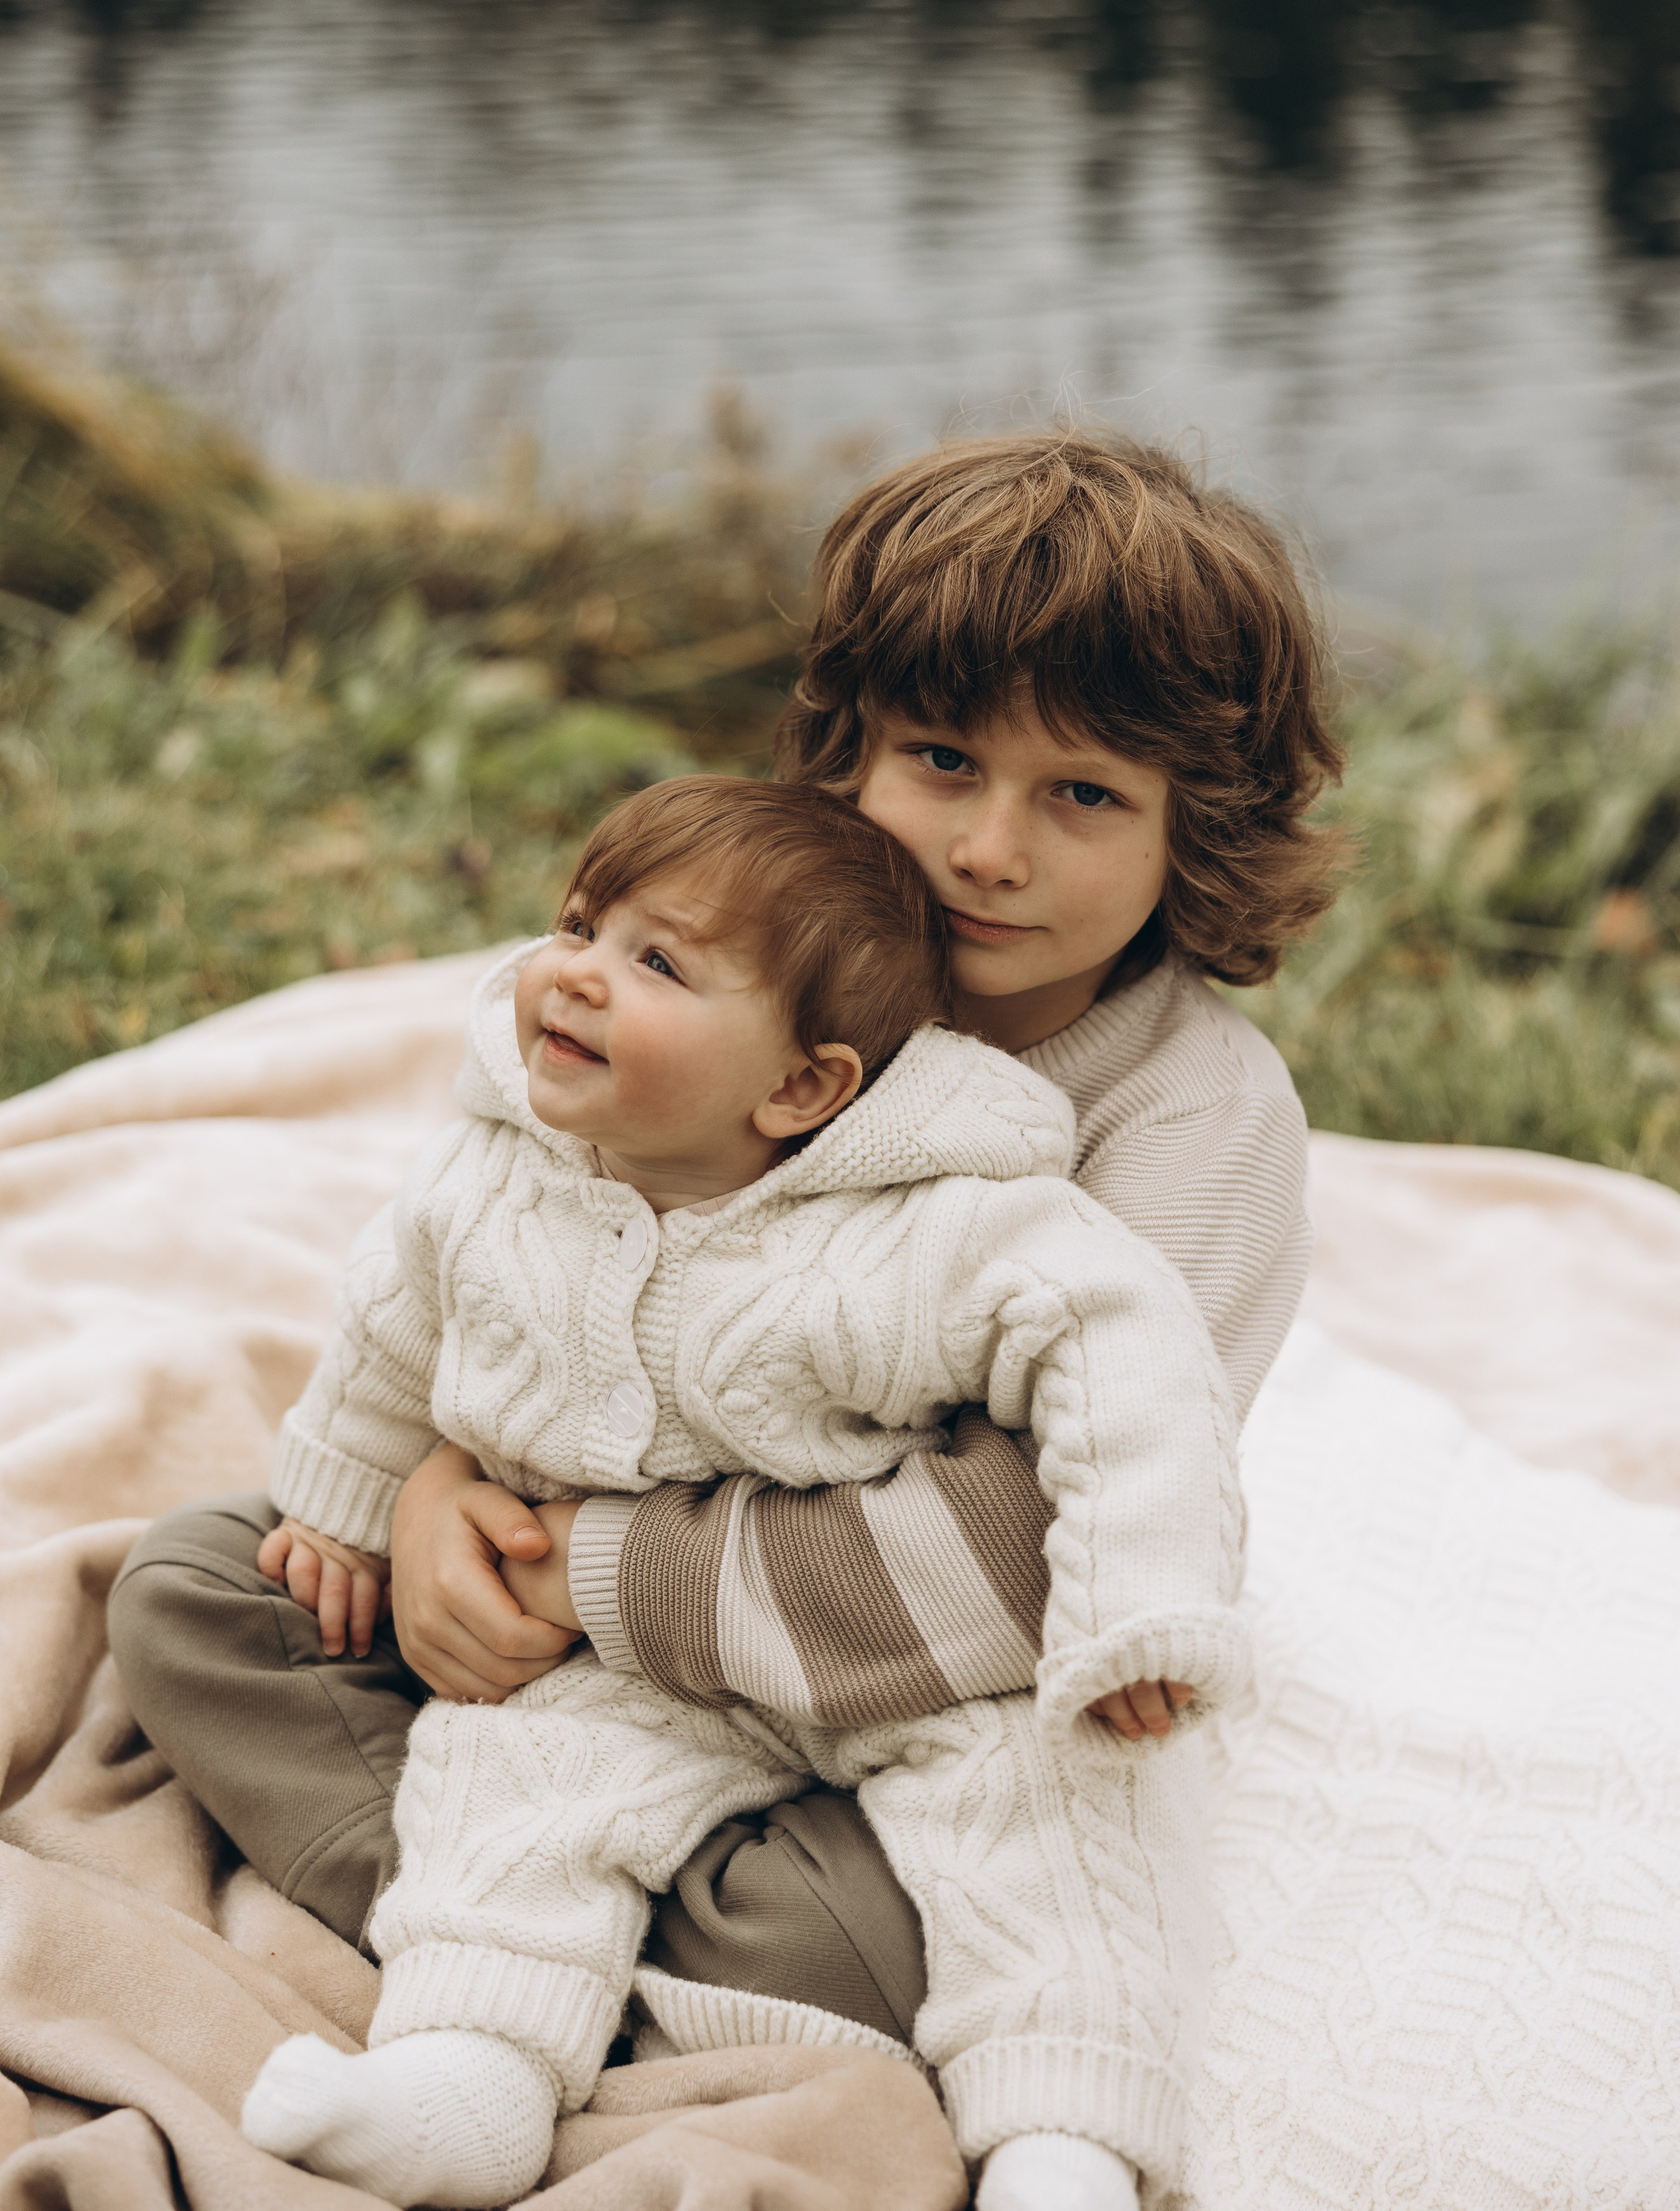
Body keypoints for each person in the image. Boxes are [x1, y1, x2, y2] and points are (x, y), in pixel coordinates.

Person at [108, 429, 1344, 2182]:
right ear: (849, 747)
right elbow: (536, 1260)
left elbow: (1020, 1551)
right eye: (939, 759)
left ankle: (565, 1944)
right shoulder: (740, 974)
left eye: (1083, 795)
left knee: (906, 1912)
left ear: (1190, 830)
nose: (987, 850)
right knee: (188, 1595)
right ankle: (555, 1938)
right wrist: (433, 1490)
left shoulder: (1191, 1127)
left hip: (925, 1695)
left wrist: (578, 1572)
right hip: (603, 1659)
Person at [232, 773, 1250, 2210]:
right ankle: (467, 2079)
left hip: (918, 1670)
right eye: (581, 925)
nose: (576, 973)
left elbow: (1123, 1350)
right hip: (622, 1668)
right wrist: (360, 1505)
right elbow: (394, 1324)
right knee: (504, 1783)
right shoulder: (499, 1175)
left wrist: (1138, 1604)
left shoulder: (922, 1223)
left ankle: (1059, 2147)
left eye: (654, 965)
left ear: (799, 1085)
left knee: (1060, 1827)